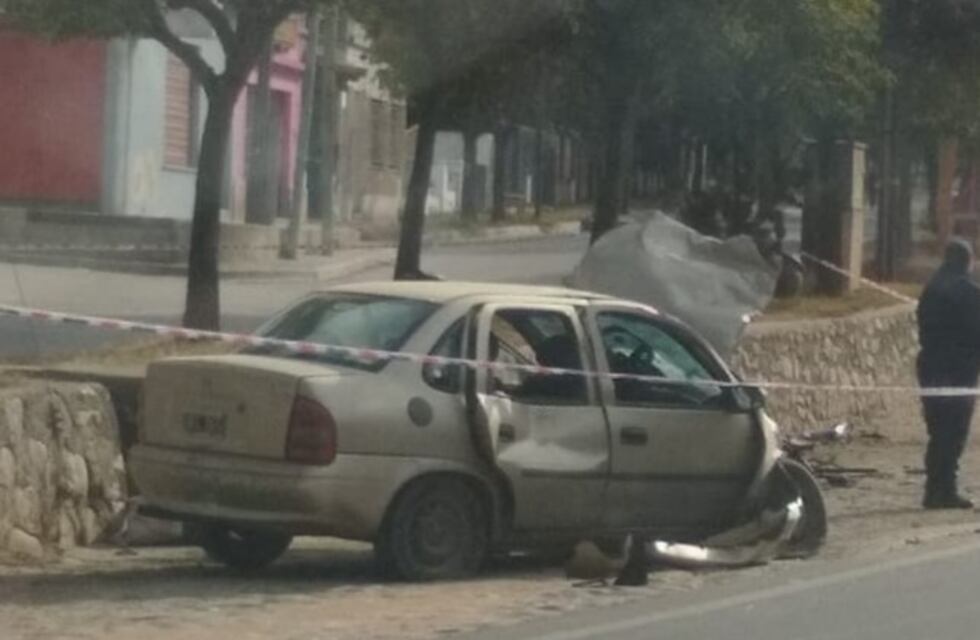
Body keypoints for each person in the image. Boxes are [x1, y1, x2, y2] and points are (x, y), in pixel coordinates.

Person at [917, 239, 980, 509]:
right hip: (958, 370)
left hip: (930, 366)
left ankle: (934, 489)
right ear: (967, 261)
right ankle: (945, 490)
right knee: (953, 432)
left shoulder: (931, 288)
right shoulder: (969, 292)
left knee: (937, 430)